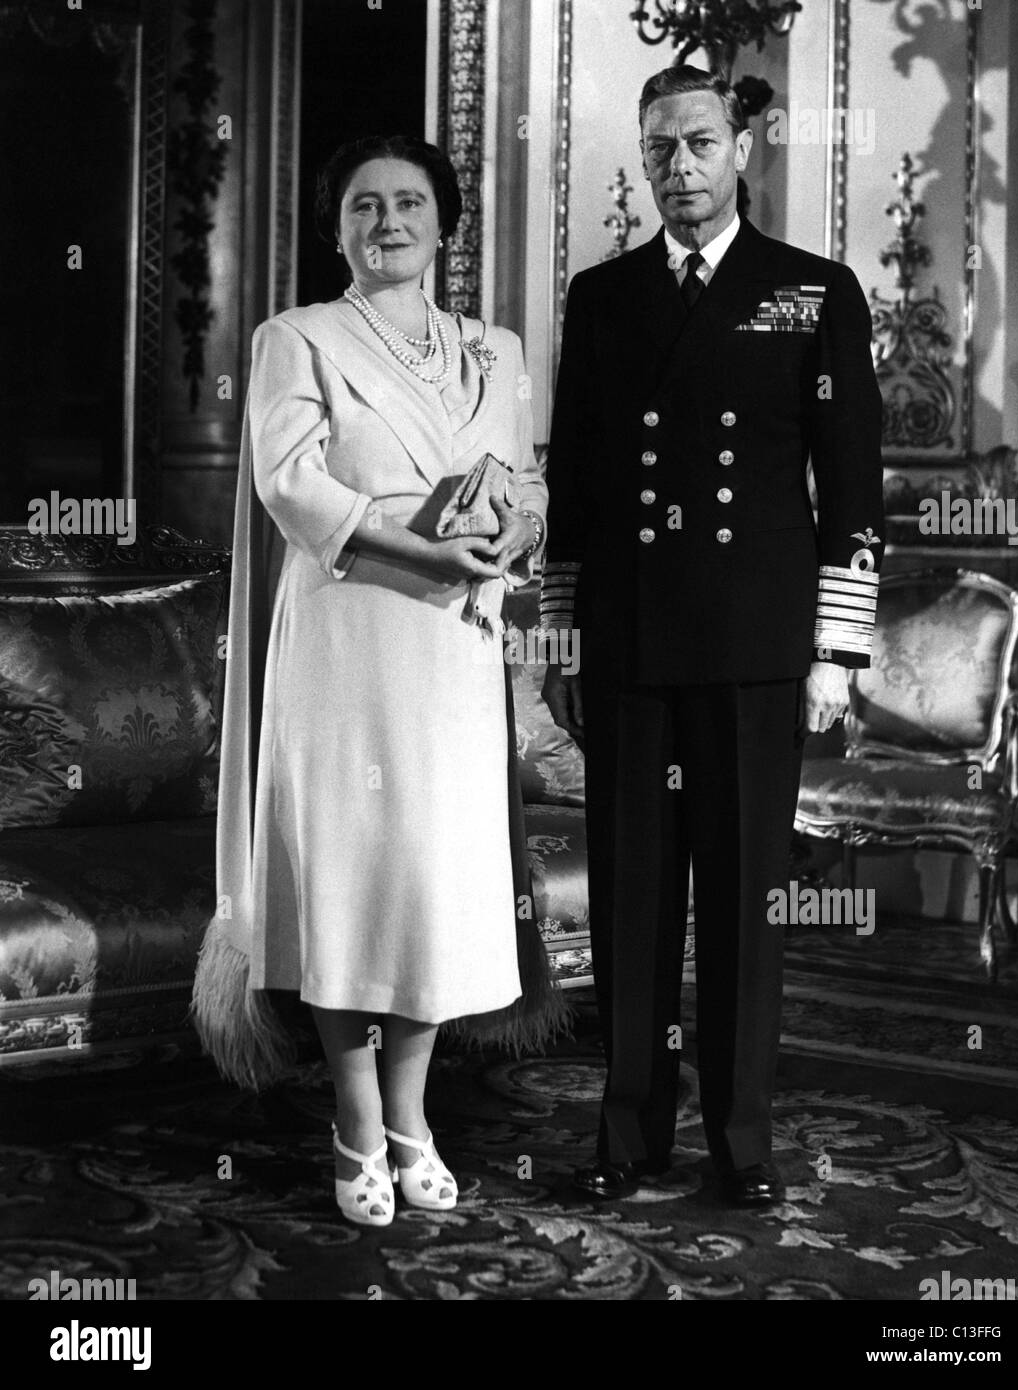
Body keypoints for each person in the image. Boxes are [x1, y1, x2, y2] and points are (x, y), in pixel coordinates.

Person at [192, 134, 555, 1227]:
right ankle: (355, 1125)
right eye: (363, 207)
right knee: (354, 877)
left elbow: (527, 477)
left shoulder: (496, 348)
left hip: (451, 650)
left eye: (408, 204)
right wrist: (418, 551)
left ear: (444, 223)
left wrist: (520, 523)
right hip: (349, 638)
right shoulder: (293, 339)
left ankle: (413, 1120)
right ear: (337, 229)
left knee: (429, 886)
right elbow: (290, 484)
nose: (387, 223)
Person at [540, 66, 885, 1206]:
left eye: (697, 144)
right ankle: (626, 1136)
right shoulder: (603, 296)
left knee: (743, 906)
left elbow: (849, 493)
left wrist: (836, 653)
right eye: (656, 150)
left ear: (743, 147)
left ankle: (742, 1147)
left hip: (754, 645)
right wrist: (560, 641)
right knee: (635, 899)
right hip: (630, 642)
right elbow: (578, 486)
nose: (677, 169)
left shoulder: (811, 290)